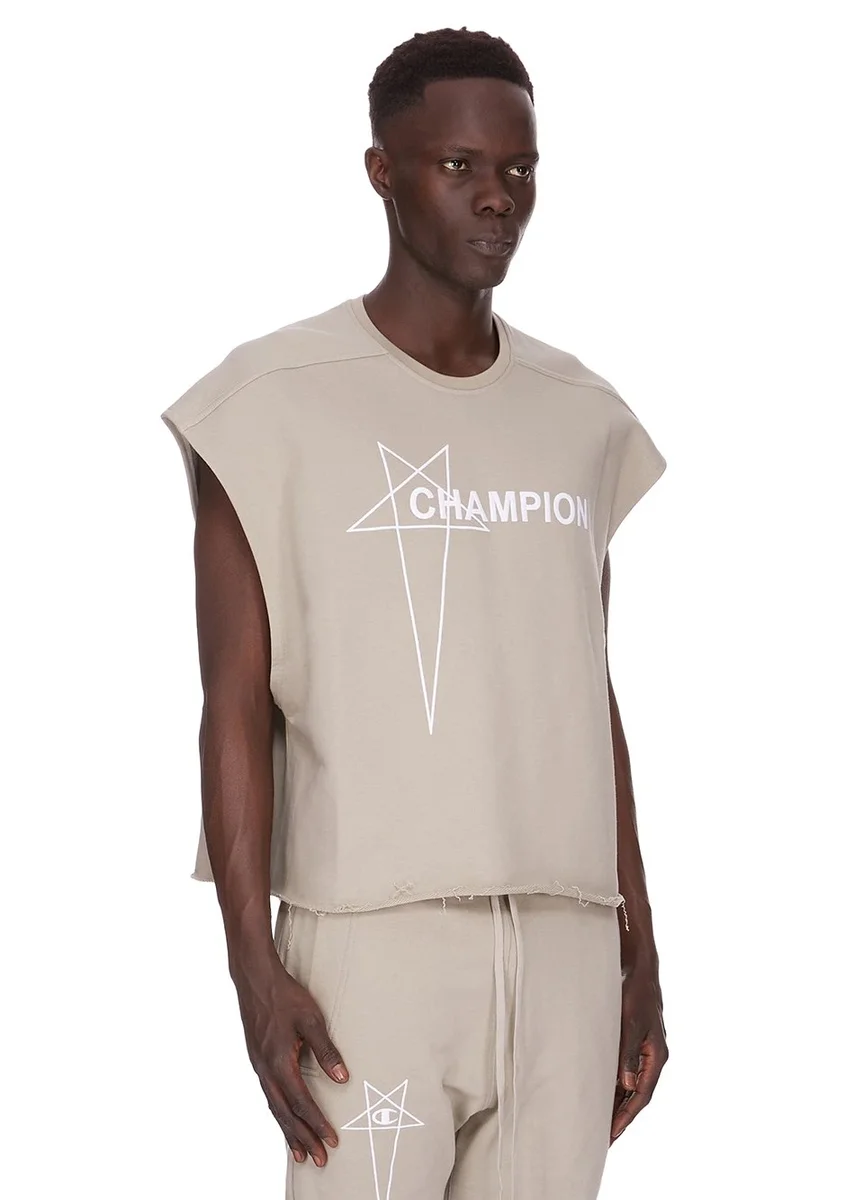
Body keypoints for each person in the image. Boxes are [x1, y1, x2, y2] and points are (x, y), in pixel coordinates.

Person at [161, 25, 669, 1200]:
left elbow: (583, 683)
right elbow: (232, 702)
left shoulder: (580, 415)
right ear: (382, 171)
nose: (496, 197)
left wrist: (637, 942)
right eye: (458, 166)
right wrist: (251, 967)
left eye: (518, 169)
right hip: (369, 946)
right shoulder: (266, 403)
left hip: (565, 946)